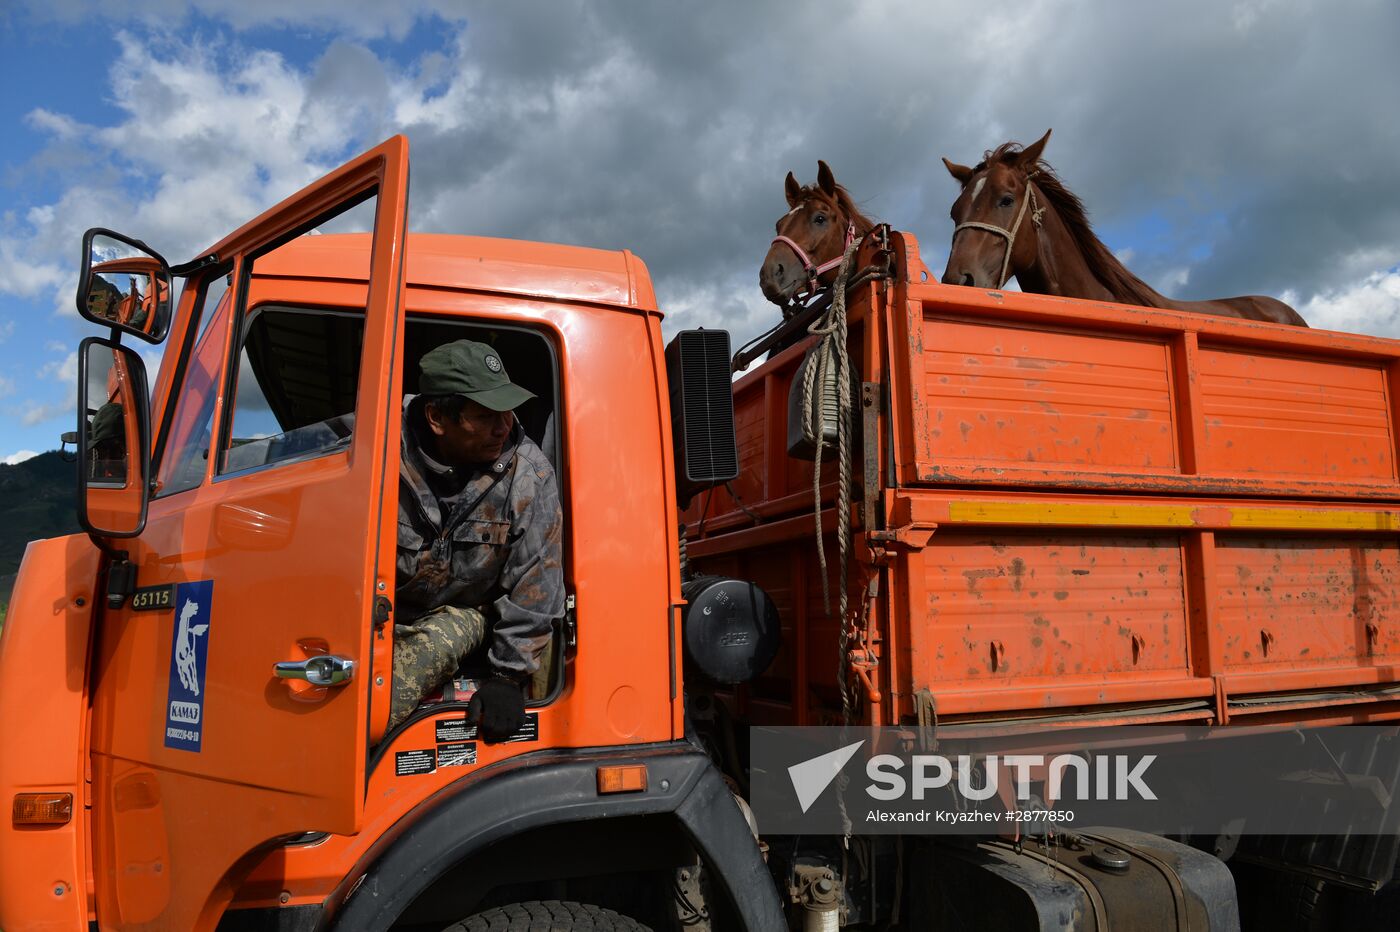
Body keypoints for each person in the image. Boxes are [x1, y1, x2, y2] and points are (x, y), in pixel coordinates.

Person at [391, 339, 564, 739]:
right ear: (436, 417)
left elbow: (537, 585)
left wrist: (507, 675)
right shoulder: (375, 450)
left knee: (427, 652)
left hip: (467, 614)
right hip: (377, 614)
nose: (504, 427)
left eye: (507, 411)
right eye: (486, 415)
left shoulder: (529, 476)